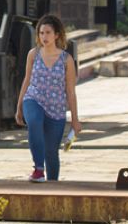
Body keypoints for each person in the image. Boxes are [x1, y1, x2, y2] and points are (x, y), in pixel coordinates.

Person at [15, 14, 81, 183]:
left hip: (56, 108)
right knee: (34, 121)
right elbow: (27, 79)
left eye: (48, 33)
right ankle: (38, 169)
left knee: (52, 153)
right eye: (41, 33)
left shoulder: (67, 60)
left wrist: (75, 120)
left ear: (57, 35)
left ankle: (53, 187)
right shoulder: (33, 54)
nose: (44, 37)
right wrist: (19, 106)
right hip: (33, 98)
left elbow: (71, 92)